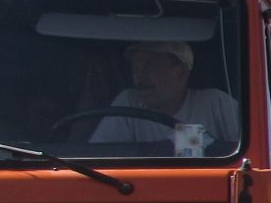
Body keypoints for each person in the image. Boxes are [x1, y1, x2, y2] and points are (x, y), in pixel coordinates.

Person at [90, 41, 239, 146]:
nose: (139, 76)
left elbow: (250, 156)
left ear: (180, 73)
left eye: (149, 66)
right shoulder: (128, 103)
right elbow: (100, 155)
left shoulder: (215, 103)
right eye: (135, 68)